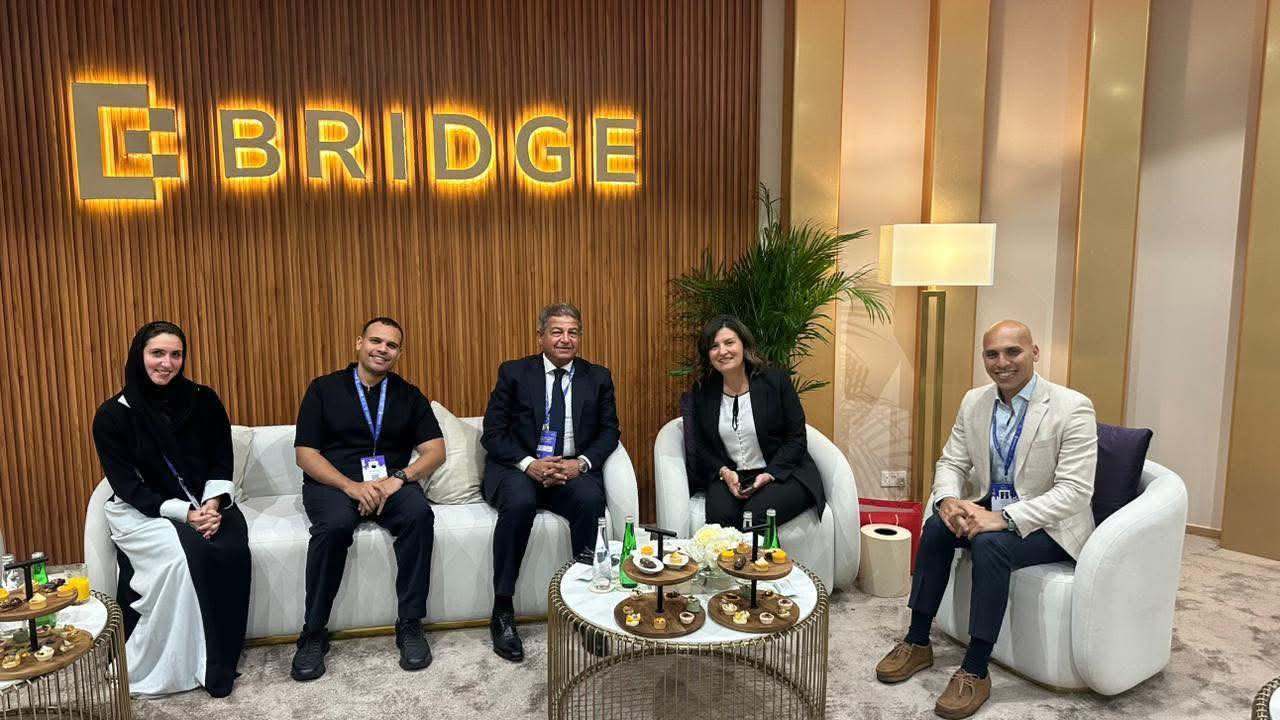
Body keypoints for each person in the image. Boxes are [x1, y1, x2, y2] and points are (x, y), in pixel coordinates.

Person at [875, 320, 1097, 719]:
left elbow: (1074, 492)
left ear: (1034, 353)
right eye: (992, 354)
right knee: (937, 526)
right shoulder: (974, 401)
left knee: (990, 543)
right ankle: (917, 640)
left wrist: (1004, 518)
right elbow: (952, 461)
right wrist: (948, 500)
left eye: (1013, 352)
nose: (1002, 362)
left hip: (1051, 524)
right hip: (988, 507)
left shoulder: (1072, 407)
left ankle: (975, 669)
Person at [91, 321, 250, 698]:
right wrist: (185, 513)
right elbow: (127, 486)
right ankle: (173, 663)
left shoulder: (203, 400)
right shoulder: (113, 415)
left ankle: (215, 658)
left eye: (175, 354)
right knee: (183, 561)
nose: (167, 363)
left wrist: (211, 505)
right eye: (157, 353)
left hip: (208, 502)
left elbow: (221, 459)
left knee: (230, 551)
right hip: (144, 510)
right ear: (139, 355)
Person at [290, 317, 445, 681]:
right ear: (359, 343)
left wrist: (399, 479)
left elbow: (436, 451)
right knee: (333, 527)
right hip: (333, 484)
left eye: (391, 345)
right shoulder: (323, 389)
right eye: (376, 341)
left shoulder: (408, 395)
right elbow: (306, 455)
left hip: (390, 484)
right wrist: (351, 486)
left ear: (399, 353)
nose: (382, 350)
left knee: (419, 515)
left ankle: (410, 623)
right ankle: (314, 631)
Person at [480, 303, 620, 662]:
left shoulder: (598, 377)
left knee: (590, 501)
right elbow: (492, 433)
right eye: (557, 331)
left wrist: (580, 464)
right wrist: (529, 464)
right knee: (520, 502)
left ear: (580, 337)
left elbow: (609, 432)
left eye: (573, 332)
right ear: (541, 336)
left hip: (569, 469)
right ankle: (502, 609)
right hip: (519, 468)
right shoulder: (514, 373)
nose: (565, 339)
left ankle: (586, 607)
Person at [688, 315, 824, 530]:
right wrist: (724, 472)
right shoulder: (703, 390)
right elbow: (702, 445)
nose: (722, 351)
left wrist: (769, 475)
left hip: (782, 471)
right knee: (720, 519)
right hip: (732, 475)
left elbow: (796, 438)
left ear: (743, 344)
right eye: (714, 346)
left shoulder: (775, 380)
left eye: (729, 342)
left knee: (756, 516)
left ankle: (764, 555)